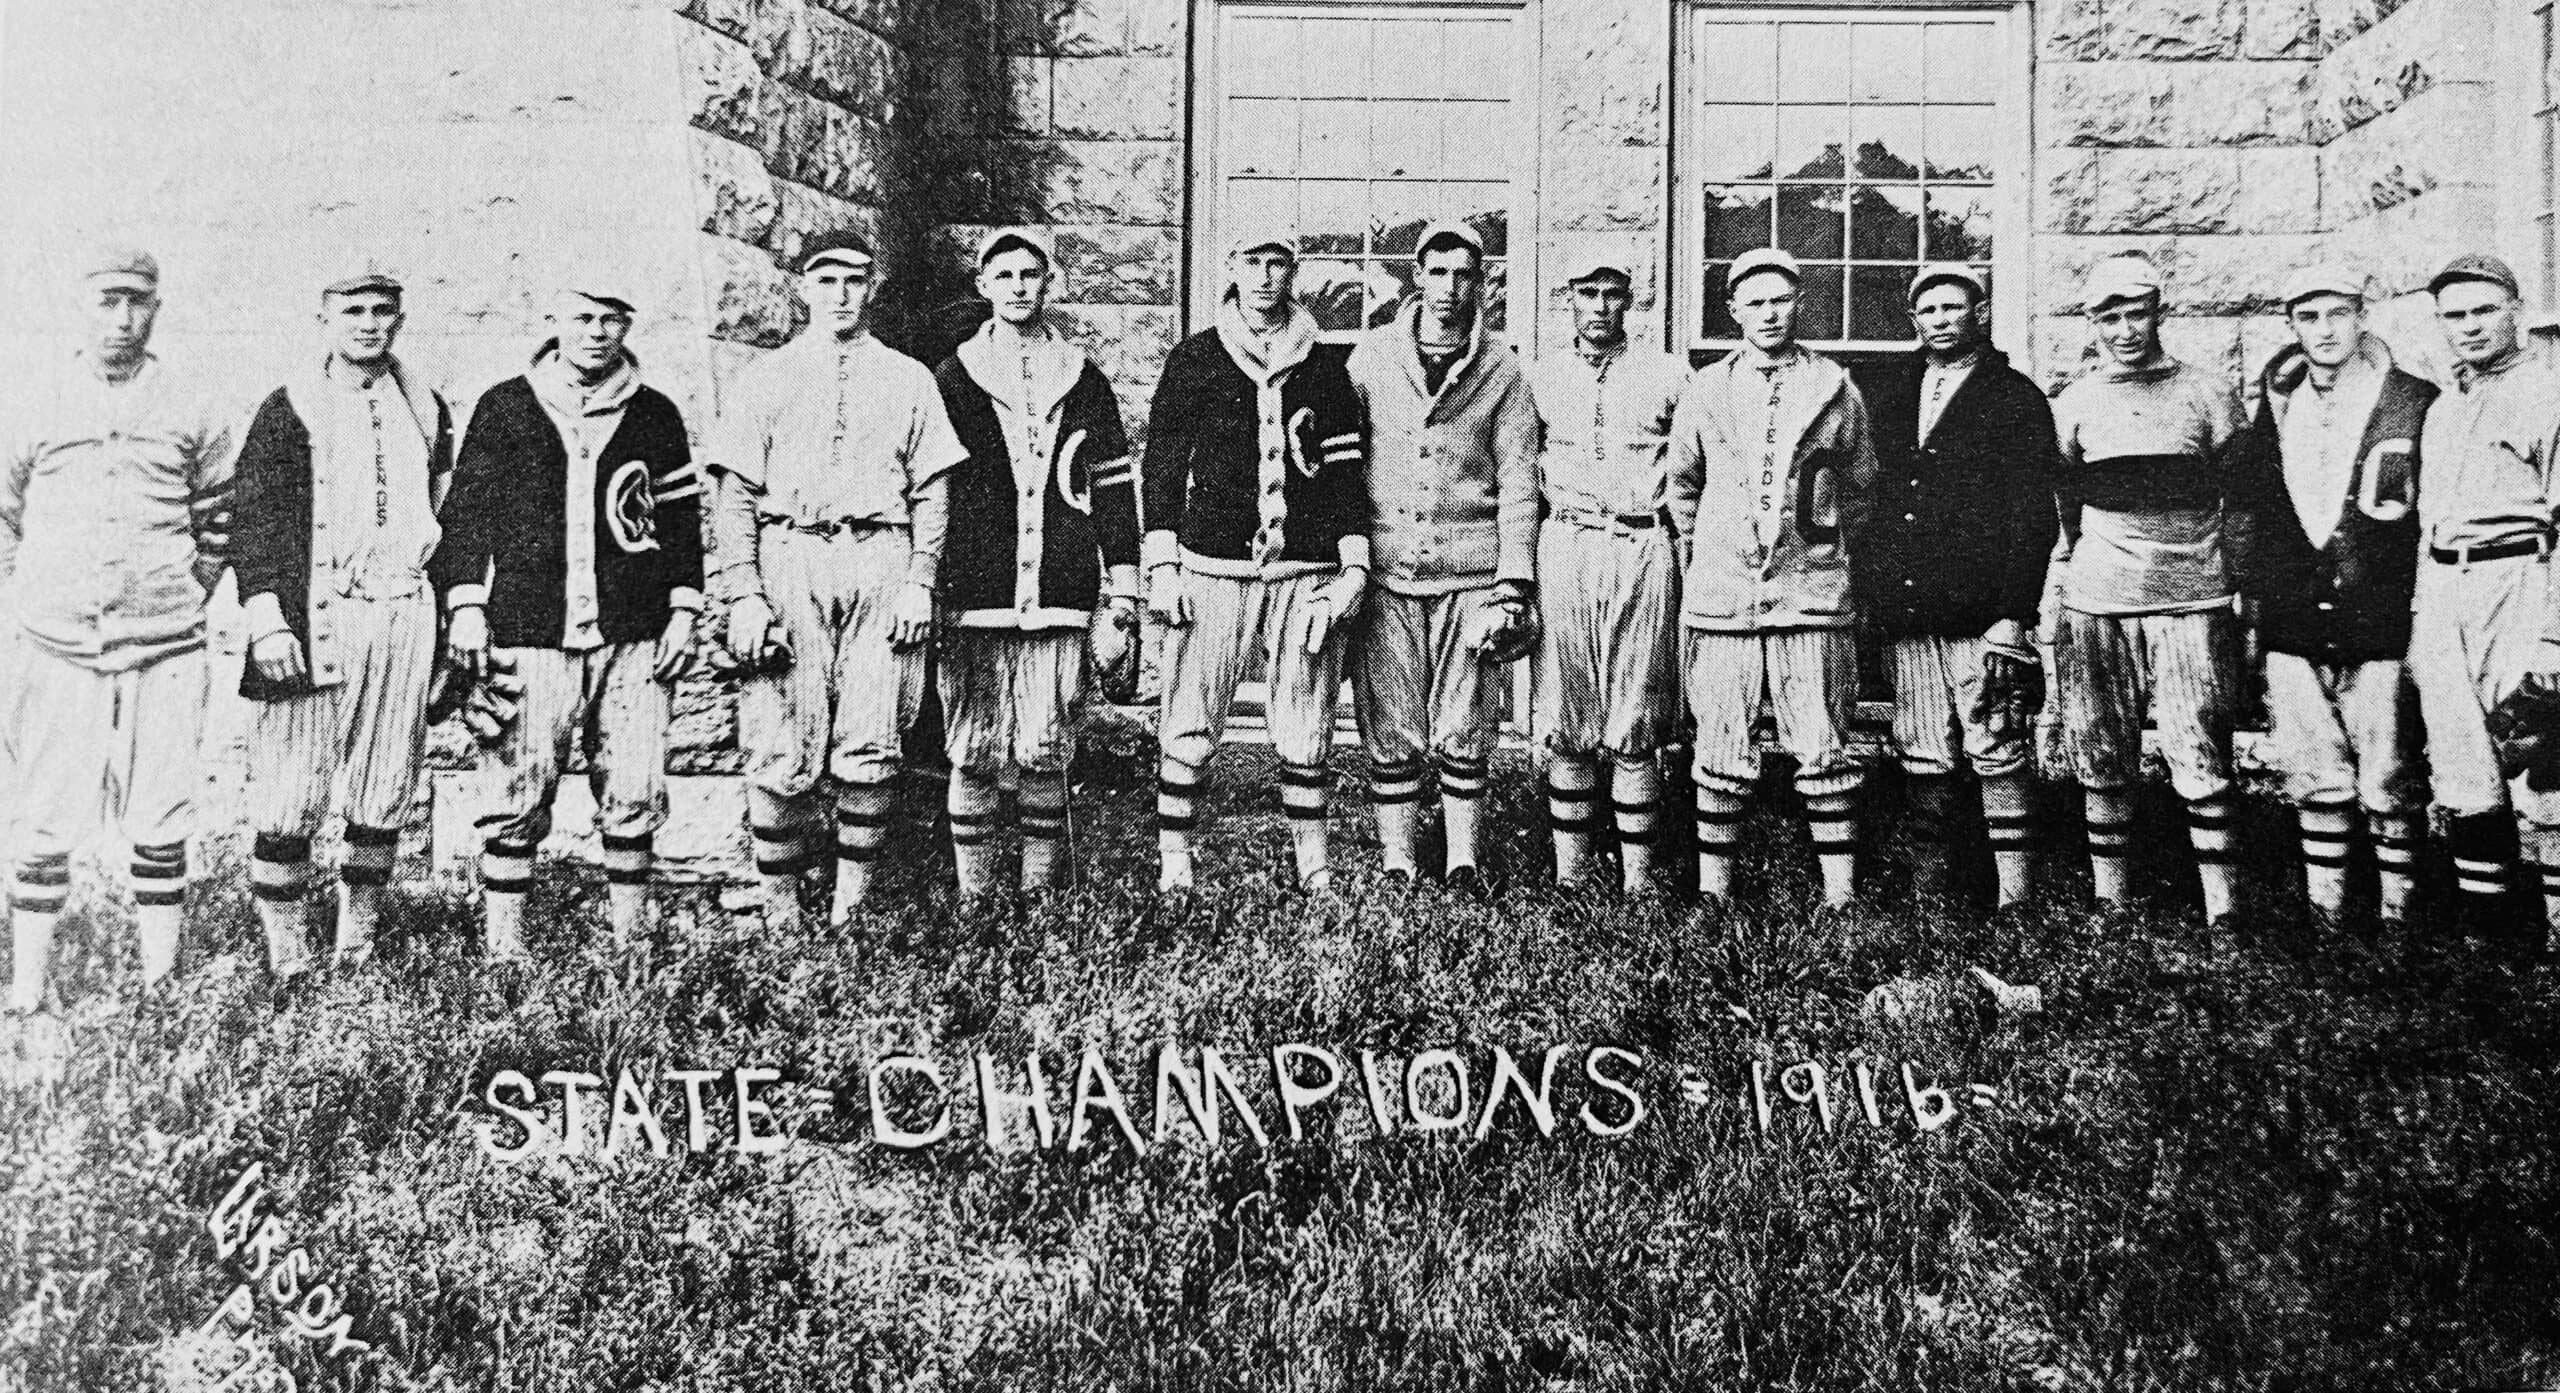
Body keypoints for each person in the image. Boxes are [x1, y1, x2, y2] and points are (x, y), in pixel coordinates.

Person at [430, 284, 704, 957]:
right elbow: (466, 516)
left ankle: (630, 945)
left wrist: (683, 609)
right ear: (554, 321)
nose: (597, 332)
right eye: (583, 317)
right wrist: (466, 606)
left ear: (628, 325)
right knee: (516, 788)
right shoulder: (506, 406)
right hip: (530, 629)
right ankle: (505, 949)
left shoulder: (655, 413)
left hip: (633, 631)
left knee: (634, 786)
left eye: (612, 319)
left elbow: (680, 522)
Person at [708, 230, 964, 929]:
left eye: (854, 280)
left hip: (880, 555)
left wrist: (920, 581)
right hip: (789, 555)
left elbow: (932, 490)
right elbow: (734, 496)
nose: (841, 294)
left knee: (873, 735)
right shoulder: (766, 377)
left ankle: (852, 911)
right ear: (803, 288)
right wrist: (745, 595)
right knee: (778, 735)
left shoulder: (908, 378)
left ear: (872, 287)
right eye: (826, 280)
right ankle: (781, 913)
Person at [0, 247, 234, 1013]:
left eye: (137, 301)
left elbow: (219, 515)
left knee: (161, 811)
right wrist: (36, 590)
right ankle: (28, 986)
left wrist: (180, 589)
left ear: (156, 308)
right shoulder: (34, 398)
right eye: (107, 300)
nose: (122, 319)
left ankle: (160, 979)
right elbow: (3, 513)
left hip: (165, 643)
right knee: (44, 813)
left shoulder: (191, 402)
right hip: (56, 643)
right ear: (80, 305)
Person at [231, 263, 455, 977]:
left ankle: (356, 946)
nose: (368, 323)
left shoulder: (427, 406)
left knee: (385, 784)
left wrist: (451, 623)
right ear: (324, 319)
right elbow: (253, 521)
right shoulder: (288, 407)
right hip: (318, 617)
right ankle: (289, 955)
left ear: (400, 319)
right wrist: (267, 618)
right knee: (290, 790)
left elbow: (448, 520)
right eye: (353, 310)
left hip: (404, 611)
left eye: (382, 310)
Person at [1143, 225, 1371, 894]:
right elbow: (1162, 467)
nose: (1267, 275)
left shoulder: (1324, 364)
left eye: (1279, 262)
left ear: (1292, 271)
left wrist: (1353, 567)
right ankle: (1176, 861)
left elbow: (1345, 472)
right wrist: (1163, 564)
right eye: (1254, 261)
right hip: (1212, 563)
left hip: (1304, 569)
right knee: (1190, 714)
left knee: (1305, 720)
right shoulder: (1195, 357)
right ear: (1233, 267)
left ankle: (1314, 865)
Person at [931, 229, 1141, 898]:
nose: (1019, 287)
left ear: (1049, 283)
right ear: (983, 286)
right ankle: (976, 902)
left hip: (1059, 589)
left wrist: (1123, 590)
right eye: (1005, 275)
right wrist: (929, 584)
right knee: (974, 746)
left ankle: (1040, 898)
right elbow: (930, 487)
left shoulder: (1082, 377)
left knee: (1046, 746)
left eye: (1031, 274)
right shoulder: (953, 376)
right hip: (976, 591)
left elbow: (1112, 485)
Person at [1666, 247, 1877, 909]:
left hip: (1809, 593)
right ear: (1732, 310)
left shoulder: (1835, 387)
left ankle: (1840, 897)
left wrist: (1817, 546)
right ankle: (1714, 894)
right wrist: (1717, 551)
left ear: (1800, 304)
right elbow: (1683, 487)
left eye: (1780, 300)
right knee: (1720, 743)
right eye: (1754, 302)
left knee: (1822, 743)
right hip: (1725, 595)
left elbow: (1860, 487)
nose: (1768, 314)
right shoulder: (1707, 389)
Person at [2228, 264, 2433, 925]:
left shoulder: (2410, 400)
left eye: (2338, 314)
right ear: (2292, 324)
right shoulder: (2279, 401)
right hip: (2294, 615)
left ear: (2361, 316)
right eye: (2309, 317)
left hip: (2378, 615)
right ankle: (2328, 921)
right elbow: (2254, 508)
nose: (2324, 330)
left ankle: (2399, 921)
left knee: (2389, 773)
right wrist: (2252, 602)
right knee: (2314, 770)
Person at [2050, 254, 2249, 928]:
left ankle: (2223, 912)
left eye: (2136, 314)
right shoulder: (2076, 401)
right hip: (2100, 600)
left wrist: (2234, 584)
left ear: (2158, 313)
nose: (2125, 330)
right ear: (2093, 324)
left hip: (2192, 598)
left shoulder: (2208, 392)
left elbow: (2242, 495)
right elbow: (2065, 499)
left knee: (2200, 751)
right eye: (2110, 318)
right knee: (2101, 749)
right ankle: (2110, 903)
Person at [1345, 220, 1539, 889]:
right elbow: (1345, 462)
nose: (1449, 288)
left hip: (1471, 572)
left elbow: (1519, 479)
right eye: (1437, 272)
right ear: (1417, 276)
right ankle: (1398, 859)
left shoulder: (1503, 367)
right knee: (1390, 720)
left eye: (1464, 275)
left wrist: (1512, 584)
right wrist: (1349, 557)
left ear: (1480, 283)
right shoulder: (1372, 357)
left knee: (1465, 720)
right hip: (1389, 567)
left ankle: (1462, 859)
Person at [1858, 264, 2058, 907]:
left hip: (1981, 610)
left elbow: (2034, 516)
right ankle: (1930, 894)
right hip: (1910, 606)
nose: (1941, 320)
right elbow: (1869, 497)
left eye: (1954, 307)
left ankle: (2016, 898)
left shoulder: (2015, 397)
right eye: (1929, 310)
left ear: (1980, 313)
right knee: (1922, 748)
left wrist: (2013, 614)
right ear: (1913, 320)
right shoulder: (1891, 391)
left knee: (1995, 743)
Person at [1524, 254, 1688, 893]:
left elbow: (1697, 466)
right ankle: (1572, 876)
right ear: (1568, 297)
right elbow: (1516, 468)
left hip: (1642, 540)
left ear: (1631, 300)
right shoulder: (1539, 377)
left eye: (1612, 293)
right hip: (1567, 540)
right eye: (1587, 292)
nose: (1599, 305)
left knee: (1637, 711)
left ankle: (1638, 882)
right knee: (1568, 709)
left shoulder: (1668, 374)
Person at [2409, 253, 2560, 944]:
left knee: (2541, 752)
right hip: (2446, 589)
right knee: (2463, 761)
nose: (2469, 326)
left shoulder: (2548, 392)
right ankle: (2487, 939)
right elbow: (2428, 522)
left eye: (2483, 310)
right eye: (2455, 315)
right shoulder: (2445, 405)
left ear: (2516, 310)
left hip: (2521, 579)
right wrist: (2423, 617)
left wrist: (2554, 635)